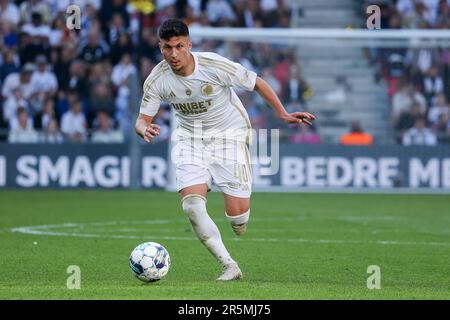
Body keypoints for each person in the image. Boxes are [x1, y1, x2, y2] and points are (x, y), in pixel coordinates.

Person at [134, 19, 315, 281]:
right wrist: (143, 129)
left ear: (189, 45)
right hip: (190, 140)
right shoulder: (157, 80)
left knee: (238, 222)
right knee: (192, 206)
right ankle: (229, 265)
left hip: (229, 136)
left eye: (179, 46)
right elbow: (142, 119)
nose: (173, 54)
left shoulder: (214, 65)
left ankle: (236, 210)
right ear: (159, 47)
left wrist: (283, 113)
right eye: (166, 48)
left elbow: (257, 82)